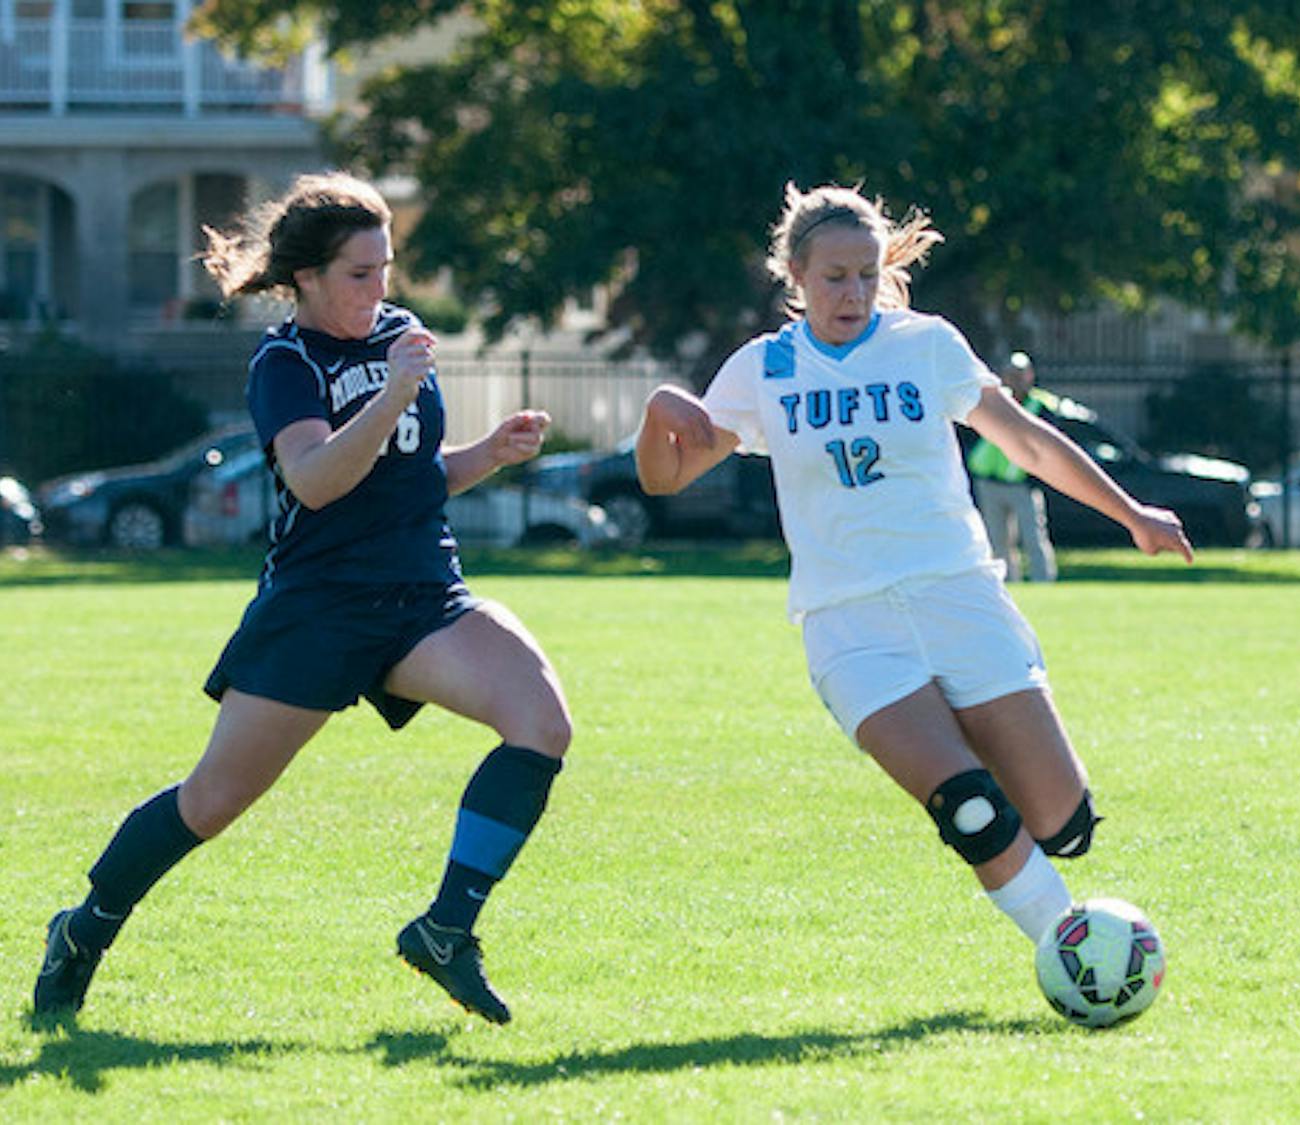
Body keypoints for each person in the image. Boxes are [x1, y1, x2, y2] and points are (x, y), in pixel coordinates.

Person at [32, 172, 571, 1027]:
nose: (379, 290)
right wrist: (393, 390)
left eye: (386, 269)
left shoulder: (398, 335)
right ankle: (83, 929)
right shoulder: (284, 362)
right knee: (212, 801)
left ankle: (444, 930)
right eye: (359, 273)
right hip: (320, 604)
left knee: (542, 722)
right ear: (307, 278)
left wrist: (487, 456)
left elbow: (406, 478)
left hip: (425, 592)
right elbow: (317, 481)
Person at [635, 182, 1192, 961]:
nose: (853, 291)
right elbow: (664, 480)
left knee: (1062, 821)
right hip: (849, 622)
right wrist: (660, 409)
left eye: (867, 272)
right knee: (969, 808)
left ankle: (1051, 884)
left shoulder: (925, 344)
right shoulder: (763, 369)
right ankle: (1074, 952)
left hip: (958, 596)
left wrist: (1131, 513)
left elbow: (1027, 442)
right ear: (794, 274)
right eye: (834, 275)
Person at [967, 351, 1058, 582]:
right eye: (1010, 374)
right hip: (991, 481)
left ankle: (1042, 580)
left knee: (1033, 537)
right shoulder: (994, 401)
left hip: (1023, 484)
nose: (1014, 380)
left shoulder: (1041, 405)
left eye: (1019, 375)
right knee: (998, 540)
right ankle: (1007, 583)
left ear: (1029, 376)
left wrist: (1036, 480)